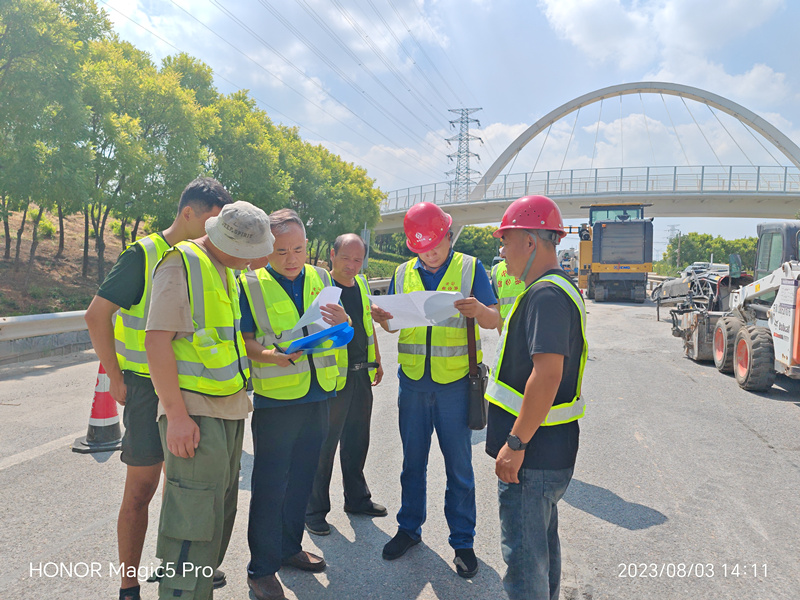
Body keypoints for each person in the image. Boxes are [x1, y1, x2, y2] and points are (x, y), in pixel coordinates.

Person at [83, 177, 231, 600]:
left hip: (193, 391)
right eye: (212, 222)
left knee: (186, 490)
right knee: (141, 491)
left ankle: (180, 568)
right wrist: (116, 377)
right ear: (188, 213)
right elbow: (96, 315)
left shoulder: (209, 260)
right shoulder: (144, 254)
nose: (217, 233)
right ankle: (128, 585)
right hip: (148, 390)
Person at [144, 200, 273, 600]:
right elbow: (157, 341)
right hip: (195, 413)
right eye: (248, 254)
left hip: (228, 408)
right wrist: (177, 417)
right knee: (193, 522)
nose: (251, 262)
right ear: (228, 243)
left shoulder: (224, 270)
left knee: (218, 514)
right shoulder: (180, 264)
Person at [371, 202, 499, 579]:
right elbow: (394, 327)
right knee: (412, 463)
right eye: (422, 248)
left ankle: (463, 541)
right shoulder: (402, 272)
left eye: (436, 245)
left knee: (459, 467)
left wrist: (478, 311)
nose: (430, 253)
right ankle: (409, 529)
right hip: (412, 383)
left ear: (448, 235)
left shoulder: (470, 268)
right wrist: (383, 321)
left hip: (455, 386)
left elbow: (494, 318)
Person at [239, 209, 348, 600]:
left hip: (319, 392)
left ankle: (289, 548)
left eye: (298, 249)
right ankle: (261, 568)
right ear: (267, 249)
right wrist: (272, 356)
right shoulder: (250, 284)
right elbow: (245, 340)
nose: (291, 259)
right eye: (281, 251)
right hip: (277, 399)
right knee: (270, 484)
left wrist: (344, 320)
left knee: (303, 477)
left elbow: (337, 328)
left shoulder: (322, 278)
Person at [485, 195, 588, 600]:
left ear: (529, 242)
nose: (501, 251)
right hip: (547, 451)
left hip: (533, 455)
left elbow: (546, 376)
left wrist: (515, 443)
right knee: (541, 550)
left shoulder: (546, 296)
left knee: (525, 561)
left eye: (506, 241)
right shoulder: (552, 290)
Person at [305, 233, 386, 536]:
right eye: (346, 258)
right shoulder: (322, 285)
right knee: (324, 446)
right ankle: (313, 511)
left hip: (361, 374)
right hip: (332, 379)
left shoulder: (362, 284)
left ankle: (357, 499)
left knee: (357, 440)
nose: (352, 265)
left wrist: (377, 358)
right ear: (332, 255)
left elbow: (367, 324)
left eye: (358, 259)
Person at [490, 246, 526, 334]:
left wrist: (501, 334)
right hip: (527, 328)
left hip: (506, 329)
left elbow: (496, 304)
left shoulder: (496, 270)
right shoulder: (531, 265)